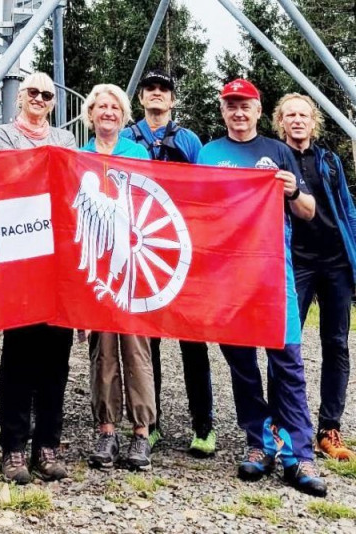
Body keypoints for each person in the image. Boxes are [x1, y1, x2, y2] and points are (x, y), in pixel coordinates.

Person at [197, 79, 325, 497]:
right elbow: (196, 211)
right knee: (242, 367)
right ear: (223, 110)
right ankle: (259, 443)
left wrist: (291, 192)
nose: (238, 112)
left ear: (257, 109)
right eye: (231, 105)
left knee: (287, 361)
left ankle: (298, 454)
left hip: (273, 273)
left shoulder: (279, 150)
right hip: (227, 278)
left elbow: (308, 211)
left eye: (245, 105)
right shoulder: (209, 153)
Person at [120, 69, 215, 457]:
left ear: (173, 99)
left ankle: (203, 425)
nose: (157, 94)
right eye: (150, 89)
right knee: (148, 342)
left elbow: (207, 189)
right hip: (143, 249)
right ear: (141, 98)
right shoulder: (127, 138)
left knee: (193, 341)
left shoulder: (189, 140)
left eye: (164, 90)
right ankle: (150, 422)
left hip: (182, 249)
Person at [0, 72, 76, 484]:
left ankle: (48, 443)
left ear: (54, 102)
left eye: (47, 94)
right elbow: (10, 177)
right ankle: (13, 447)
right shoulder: (3, 134)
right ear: (20, 96)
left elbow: (70, 185)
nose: (39, 98)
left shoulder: (66, 140)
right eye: (33, 92)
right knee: (19, 355)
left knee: (56, 359)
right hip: (21, 256)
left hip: (59, 258)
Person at [273, 93, 356, 461]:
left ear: (313, 121)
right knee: (287, 342)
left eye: (303, 115)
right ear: (280, 121)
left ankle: (329, 428)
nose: (297, 120)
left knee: (336, 343)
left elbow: (348, 212)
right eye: (289, 114)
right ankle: (281, 423)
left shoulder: (331, 161)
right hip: (296, 262)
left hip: (335, 261)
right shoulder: (274, 159)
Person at [78, 84, 155, 472]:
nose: (107, 112)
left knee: (136, 349)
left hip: (134, 263)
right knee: (102, 349)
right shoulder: (79, 158)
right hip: (95, 263)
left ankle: (142, 432)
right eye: (101, 106)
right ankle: (106, 428)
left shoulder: (137, 154)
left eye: (114, 107)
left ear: (123, 116)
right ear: (90, 114)